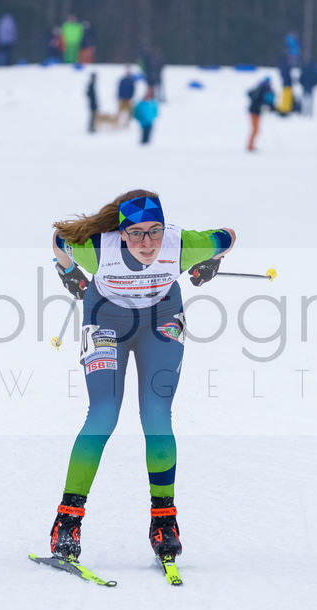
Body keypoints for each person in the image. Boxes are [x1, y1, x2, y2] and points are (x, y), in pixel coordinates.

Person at [48, 189, 236, 563]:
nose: (148, 243)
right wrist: (68, 271)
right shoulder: (97, 249)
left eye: (155, 231)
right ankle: (67, 521)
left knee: (156, 414)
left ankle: (163, 520)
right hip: (106, 319)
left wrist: (210, 261)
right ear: (120, 232)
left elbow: (228, 236)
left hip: (162, 319)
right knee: (104, 413)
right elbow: (58, 240)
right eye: (136, 233)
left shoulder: (182, 245)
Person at [246, 76, 275, 152]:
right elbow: (261, 101)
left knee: (255, 129)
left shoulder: (259, 88)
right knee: (255, 129)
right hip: (255, 111)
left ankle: (251, 145)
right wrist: (262, 105)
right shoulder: (264, 89)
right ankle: (250, 146)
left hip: (255, 111)